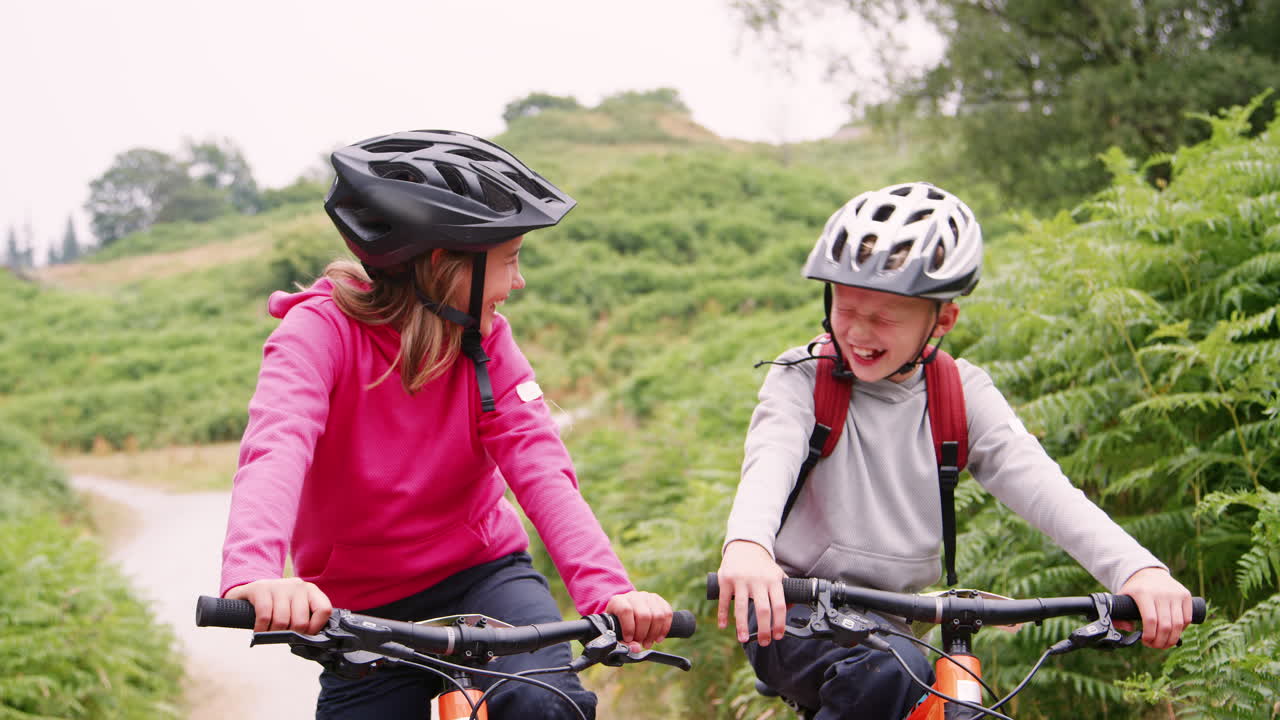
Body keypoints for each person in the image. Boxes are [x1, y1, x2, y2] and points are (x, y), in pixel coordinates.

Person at [219, 129, 673, 719]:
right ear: (442, 265)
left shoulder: (489, 341)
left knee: (545, 703)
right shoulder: (316, 335)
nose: (518, 283)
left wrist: (609, 591)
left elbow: (540, 466)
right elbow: (277, 446)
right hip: (362, 608)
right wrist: (254, 573)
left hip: (484, 578)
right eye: (509, 261)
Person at [715, 181, 1193, 720]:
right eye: (847, 308)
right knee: (887, 673)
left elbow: (1046, 489)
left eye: (886, 317)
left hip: (897, 624)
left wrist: (1137, 572)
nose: (858, 331)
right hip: (791, 609)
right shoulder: (802, 378)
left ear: (942, 320)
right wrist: (749, 546)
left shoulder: (959, 393)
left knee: (954, 703)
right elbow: (769, 460)